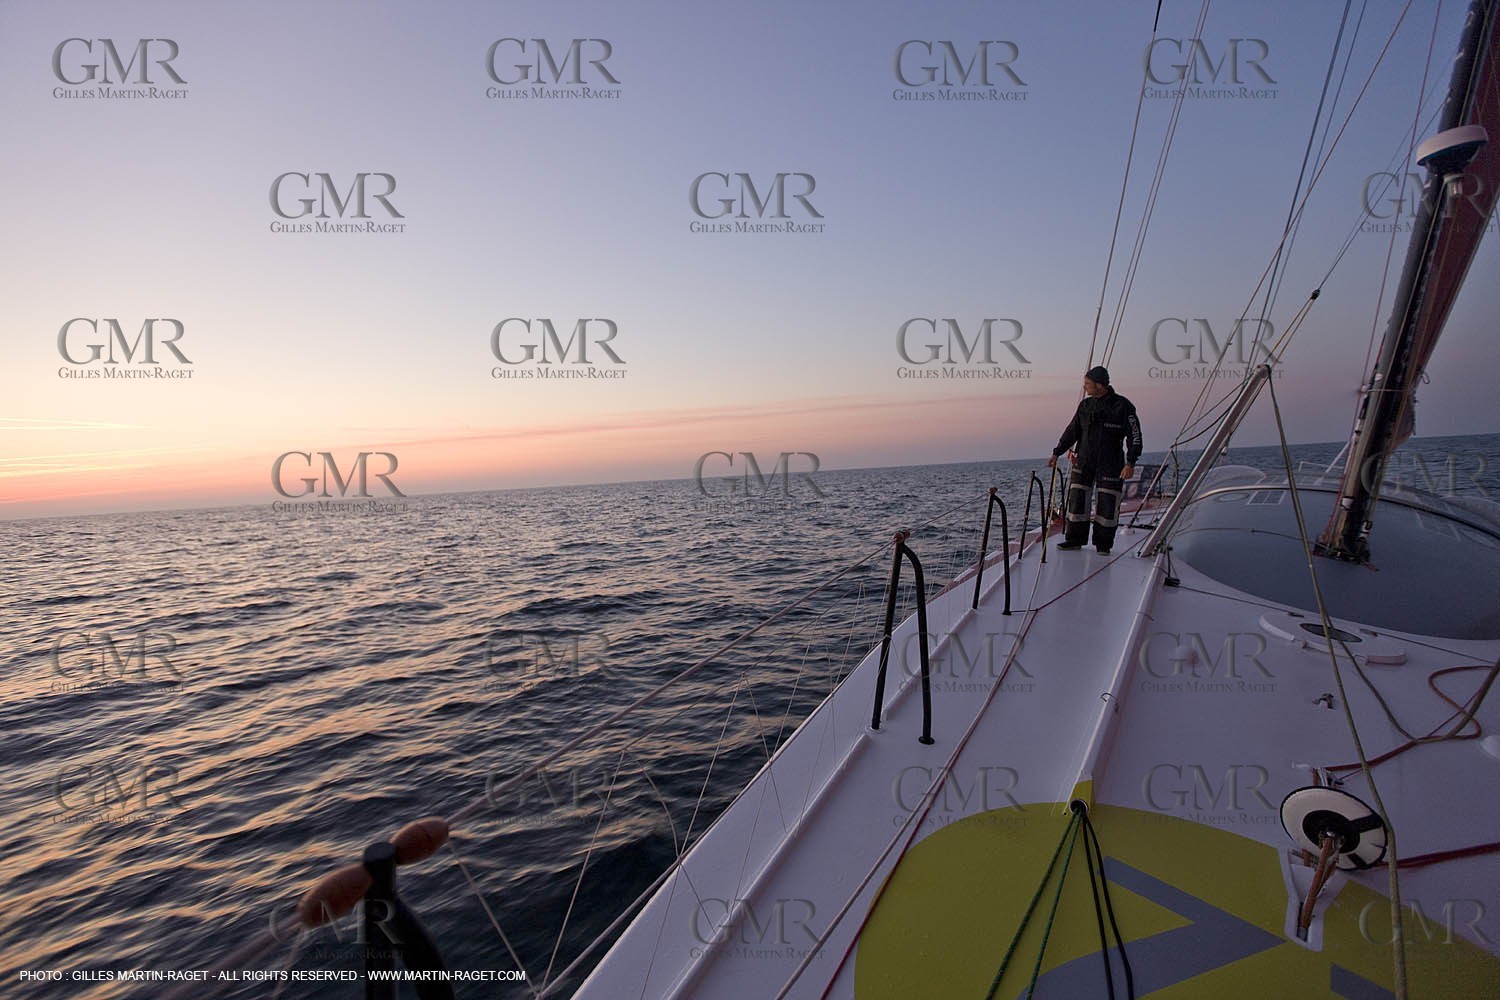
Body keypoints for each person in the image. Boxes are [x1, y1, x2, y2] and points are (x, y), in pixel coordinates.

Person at [1047, 366, 1142, 554]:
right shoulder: (1085, 406)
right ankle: (1074, 539)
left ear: (1099, 385)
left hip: (1111, 463)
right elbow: (1072, 430)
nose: (1085, 388)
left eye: (1088, 384)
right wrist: (1057, 452)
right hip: (1084, 462)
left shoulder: (1123, 406)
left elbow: (1135, 436)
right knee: (1076, 501)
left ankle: (1103, 544)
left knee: (1108, 504)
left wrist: (1130, 462)